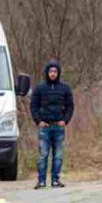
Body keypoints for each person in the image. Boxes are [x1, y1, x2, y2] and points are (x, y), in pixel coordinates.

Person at [30, 60, 75, 189]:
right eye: (51, 71)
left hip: (58, 127)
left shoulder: (65, 89)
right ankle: (41, 181)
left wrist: (65, 121)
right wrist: (38, 121)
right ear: (47, 73)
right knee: (43, 154)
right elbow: (33, 106)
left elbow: (70, 106)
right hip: (45, 127)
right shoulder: (40, 88)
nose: (53, 74)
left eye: (55, 71)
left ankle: (55, 180)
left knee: (58, 155)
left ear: (58, 73)